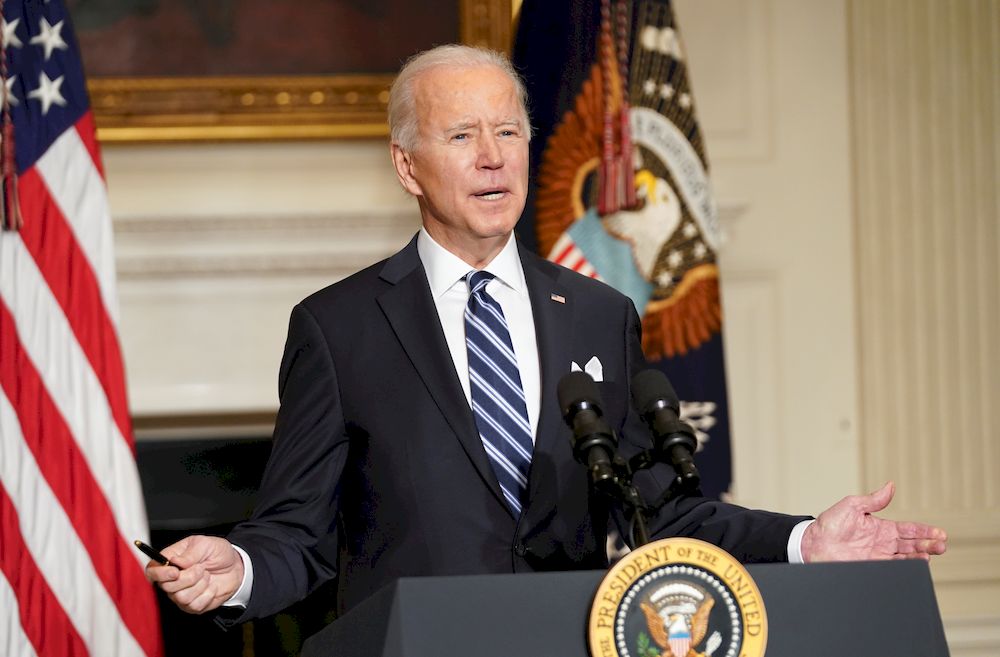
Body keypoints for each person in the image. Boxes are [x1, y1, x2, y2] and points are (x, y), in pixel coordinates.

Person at [145, 45, 947, 622]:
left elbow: (664, 513)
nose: (493, 157)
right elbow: (300, 530)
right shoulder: (338, 327)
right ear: (406, 164)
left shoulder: (600, 315)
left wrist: (807, 540)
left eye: (509, 131)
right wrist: (244, 566)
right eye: (461, 136)